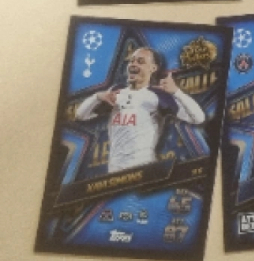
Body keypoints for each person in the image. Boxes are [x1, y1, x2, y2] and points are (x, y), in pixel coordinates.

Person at [75, 47, 206, 173]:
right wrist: (97, 96)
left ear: (153, 68)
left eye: (140, 61)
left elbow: (199, 118)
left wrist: (177, 92)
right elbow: (81, 115)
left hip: (144, 169)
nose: (133, 64)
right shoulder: (116, 93)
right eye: (132, 61)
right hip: (114, 172)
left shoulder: (157, 95)